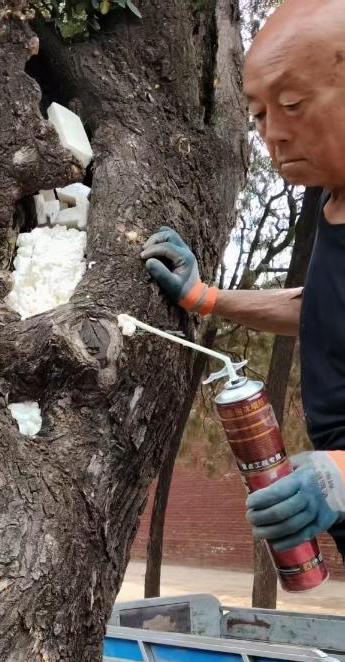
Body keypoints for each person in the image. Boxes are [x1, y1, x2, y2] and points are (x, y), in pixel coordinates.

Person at [140, 0, 345, 559]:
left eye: (293, 105)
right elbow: (323, 309)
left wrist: (341, 474)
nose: (273, 135)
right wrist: (205, 298)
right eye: (258, 115)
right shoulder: (331, 203)